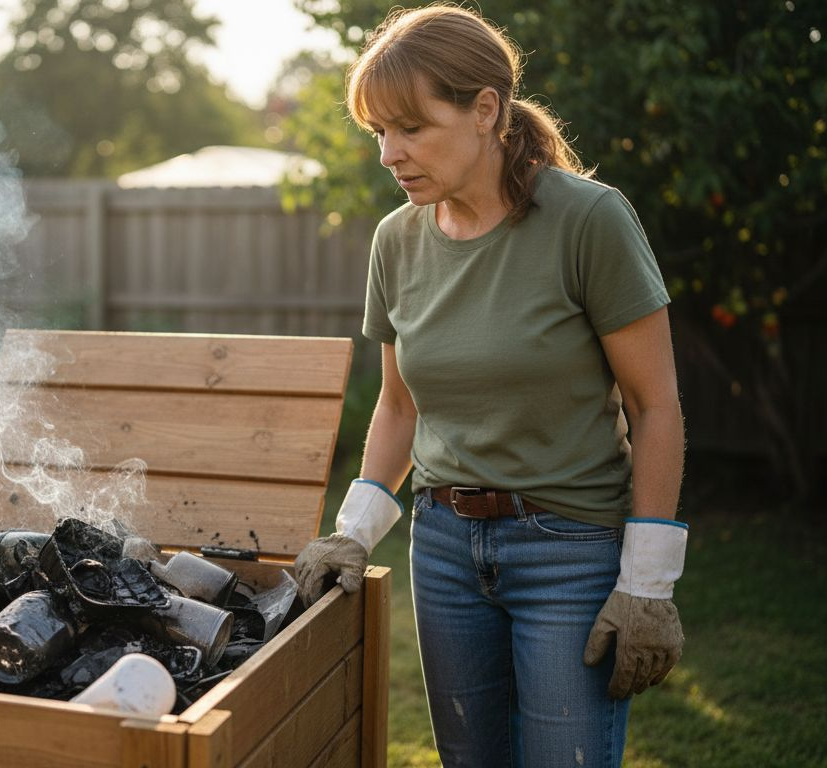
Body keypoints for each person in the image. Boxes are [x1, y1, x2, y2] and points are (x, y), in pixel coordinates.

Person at [293, 5, 688, 766]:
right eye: (378, 131)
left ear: (485, 110)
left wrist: (648, 583)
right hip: (442, 549)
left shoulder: (588, 220)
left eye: (409, 126)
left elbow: (654, 405)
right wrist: (352, 531)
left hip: (570, 548)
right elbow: (401, 405)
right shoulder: (396, 241)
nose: (388, 153)